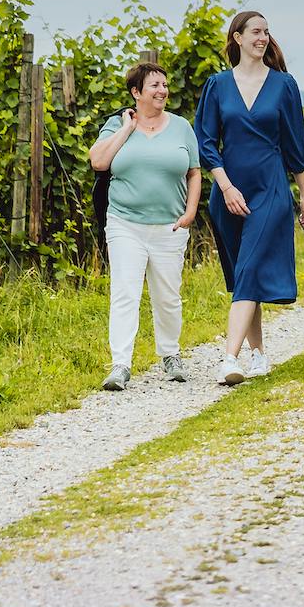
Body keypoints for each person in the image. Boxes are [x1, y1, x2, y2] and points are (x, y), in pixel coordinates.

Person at [197, 10, 304, 386]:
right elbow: (206, 143)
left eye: (266, 32)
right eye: (255, 32)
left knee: (249, 269)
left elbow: (296, 145)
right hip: (227, 190)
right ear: (237, 38)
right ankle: (259, 353)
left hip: (270, 189)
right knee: (244, 273)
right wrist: (225, 186)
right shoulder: (217, 85)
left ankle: (229, 359)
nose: (263, 38)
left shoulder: (284, 85)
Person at [88, 61, 202, 390]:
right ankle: (120, 364)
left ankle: (170, 355)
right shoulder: (116, 125)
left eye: (164, 85)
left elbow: (194, 172)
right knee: (125, 291)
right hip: (125, 223)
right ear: (136, 93)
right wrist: (126, 128)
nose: (162, 90)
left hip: (170, 226)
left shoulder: (181, 127)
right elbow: (98, 161)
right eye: (154, 85)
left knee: (168, 296)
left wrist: (190, 211)